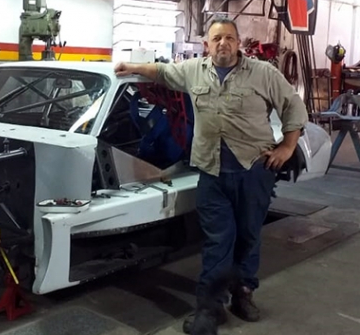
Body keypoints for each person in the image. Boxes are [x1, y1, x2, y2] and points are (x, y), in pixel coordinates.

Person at [114, 17, 308, 333]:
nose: (223, 44)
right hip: (212, 173)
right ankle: (208, 308)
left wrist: (287, 147)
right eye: (217, 38)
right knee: (218, 240)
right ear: (207, 44)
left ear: (238, 43)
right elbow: (162, 73)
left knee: (248, 236)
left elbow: (293, 107)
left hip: (253, 171)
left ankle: (243, 293)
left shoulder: (263, 73)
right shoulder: (194, 70)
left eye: (229, 38)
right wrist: (133, 67)